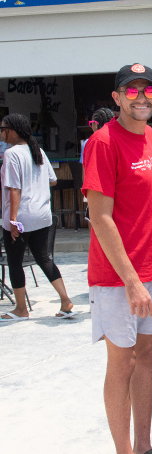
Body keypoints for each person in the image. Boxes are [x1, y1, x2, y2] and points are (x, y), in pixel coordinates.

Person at [83, 63, 152, 454]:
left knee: (147, 357)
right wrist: (132, 281)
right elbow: (99, 216)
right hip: (119, 278)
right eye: (131, 91)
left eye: (148, 91)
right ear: (117, 97)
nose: (141, 97)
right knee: (123, 364)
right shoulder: (104, 142)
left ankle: (145, 445)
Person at [0, 113, 76, 321]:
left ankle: (21, 309)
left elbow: (14, 188)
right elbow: (52, 180)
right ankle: (65, 300)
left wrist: (13, 219)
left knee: (15, 262)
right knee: (43, 258)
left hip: (21, 217)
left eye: (3, 129)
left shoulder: (11, 154)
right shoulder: (38, 151)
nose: (1, 133)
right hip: (42, 215)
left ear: (13, 130)